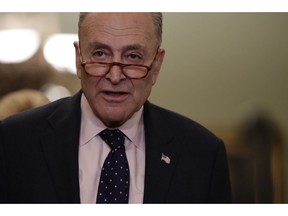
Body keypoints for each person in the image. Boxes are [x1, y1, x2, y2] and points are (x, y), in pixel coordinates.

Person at [0, 12, 231, 203]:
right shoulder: (12, 142)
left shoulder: (203, 155)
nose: (115, 75)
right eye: (100, 54)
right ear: (78, 58)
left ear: (157, 65)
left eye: (133, 56)